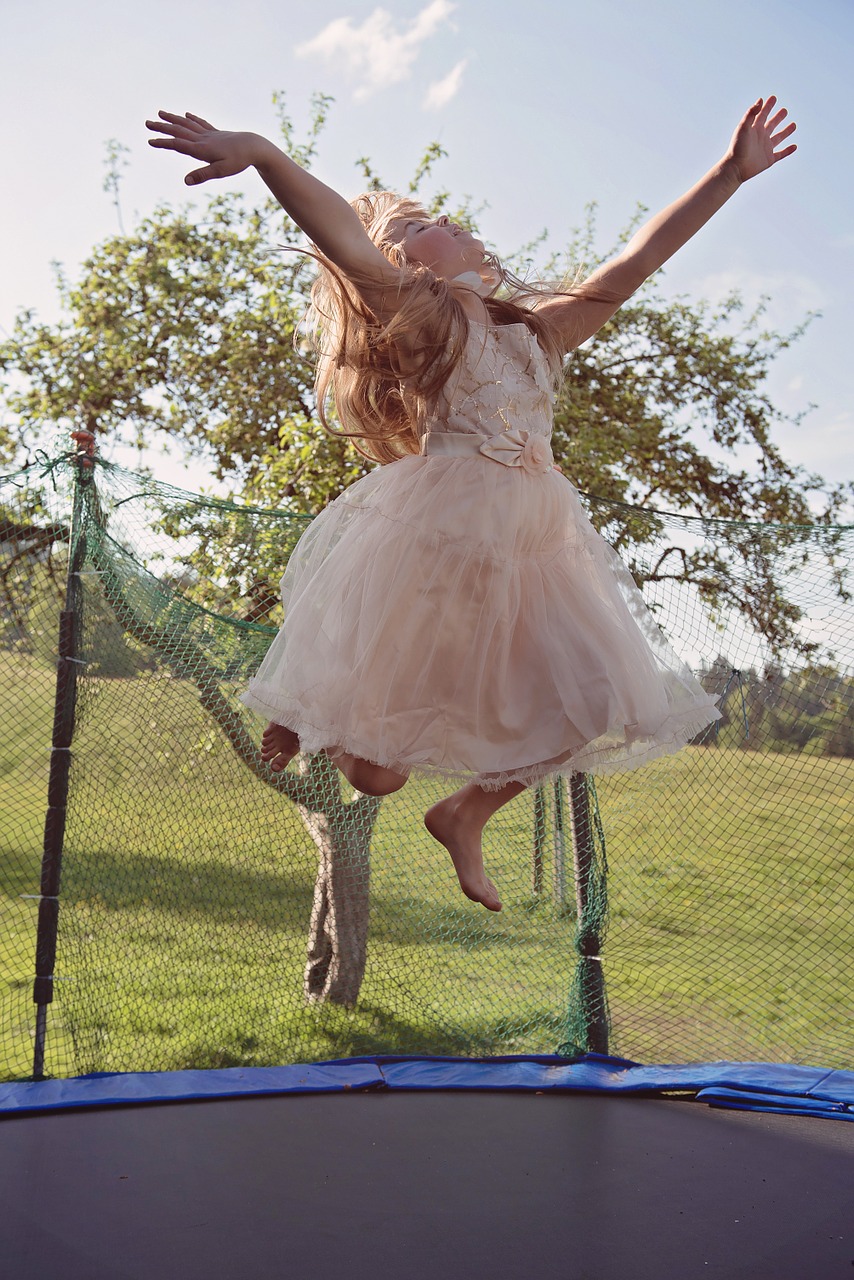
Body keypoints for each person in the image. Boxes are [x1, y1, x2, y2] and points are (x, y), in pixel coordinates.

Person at [147, 97, 796, 913]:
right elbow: (338, 238)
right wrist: (266, 154)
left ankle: (464, 811)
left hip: (537, 552)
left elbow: (635, 262)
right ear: (408, 261)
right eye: (432, 221)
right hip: (442, 541)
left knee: (597, 696)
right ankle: (329, 715)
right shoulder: (427, 323)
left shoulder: (541, 333)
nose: (455, 221)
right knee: (377, 777)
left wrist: (730, 174)